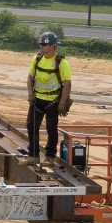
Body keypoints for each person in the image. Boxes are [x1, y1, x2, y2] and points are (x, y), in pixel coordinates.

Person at [25, 31, 72, 164]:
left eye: (44, 45)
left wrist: (62, 103)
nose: (41, 47)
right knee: (31, 126)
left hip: (53, 101)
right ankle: (33, 155)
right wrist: (30, 94)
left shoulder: (61, 63)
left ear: (53, 46)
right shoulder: (37, 59)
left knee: (51, 128)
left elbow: (67, 83)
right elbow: (30, 78)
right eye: (41, 44)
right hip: (37, 100)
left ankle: (50, 157)